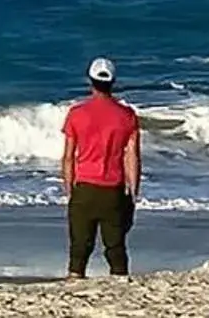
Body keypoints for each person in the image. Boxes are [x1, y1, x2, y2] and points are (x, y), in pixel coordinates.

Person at [60, 57, 141, 278]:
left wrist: (69, 189)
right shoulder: (127, 115)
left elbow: (68, 157)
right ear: (113, 82)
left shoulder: (77, 114)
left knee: (79, 249)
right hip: (113, 189)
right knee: (115, 248)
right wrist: (133, 192)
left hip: (84, 188)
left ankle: (75, 282)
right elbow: (132, 157)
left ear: (90, 81)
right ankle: (120, 286)